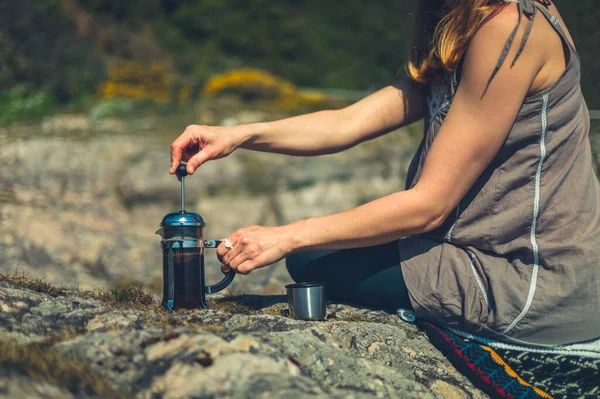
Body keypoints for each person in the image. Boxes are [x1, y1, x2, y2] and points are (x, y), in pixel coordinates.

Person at [169, 0, 600, 346]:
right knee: (314, 256)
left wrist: (286, 234)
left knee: (310, 256)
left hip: (532, 280)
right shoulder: (455, 20)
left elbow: (429, 206)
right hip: (480, 250)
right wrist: (240, 135)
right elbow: (347, 123)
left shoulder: (509, 26)